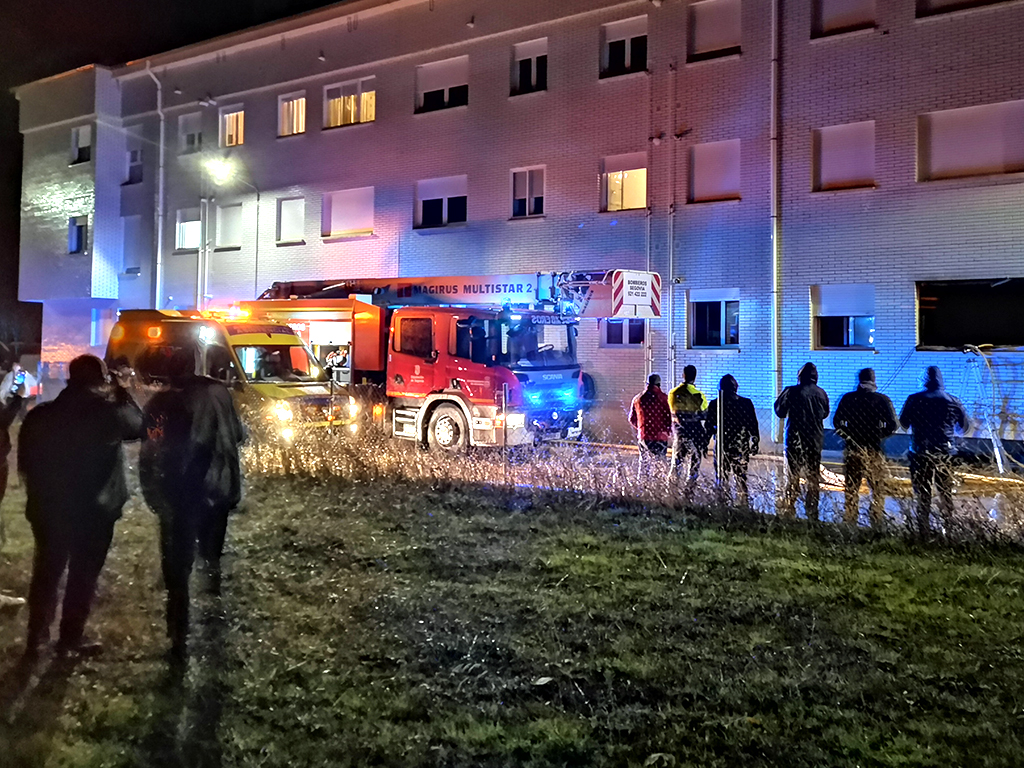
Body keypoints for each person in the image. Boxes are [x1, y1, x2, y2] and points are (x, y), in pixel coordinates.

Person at [17, 355, 144, 660]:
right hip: (94, 510)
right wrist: (121, 390)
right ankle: (69, 639)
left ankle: (36, 638)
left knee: (46, 571)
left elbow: (27, 465)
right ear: (101, 379)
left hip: (49, 509)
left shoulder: (40, 415)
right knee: (83, 575)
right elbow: (139, 426)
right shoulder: (107, 413)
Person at [140, 348, 246, 662]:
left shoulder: (160, 405)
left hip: (180, 494)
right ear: (194, 365)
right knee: (212, 556)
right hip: (220, 487)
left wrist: (153, 493)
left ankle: (178, 637)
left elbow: (151, 447)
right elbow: (238, 435)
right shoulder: (219, 393)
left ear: (167, 372)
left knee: (178, 568)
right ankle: (215, 618)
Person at [899, 366, 968, 537]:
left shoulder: (914, 399)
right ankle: (948, 527)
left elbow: (903, 423)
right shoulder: (953, 400)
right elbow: (964, 427)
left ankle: (923, 529)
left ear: (924, 380)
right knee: (945, 491)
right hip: (946, 451)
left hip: (920, 450)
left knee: (923, 492)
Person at [833, 368, 897, 528]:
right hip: (874, 449)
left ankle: (850, 518)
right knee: (877, 488)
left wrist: (848, 436)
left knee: (852, 487)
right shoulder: (882, 400)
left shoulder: (849, 399)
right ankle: (876, 519)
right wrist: (878, 434)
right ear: (874, 382)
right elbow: (892, 425)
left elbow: (837, 421)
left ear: (859, 381)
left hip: (853, 449)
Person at [774, 362, 830, 521]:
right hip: (814, 439)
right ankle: (812, 510)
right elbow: (825, 413)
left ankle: (790, 506)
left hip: (794, 439)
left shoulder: (791, 391)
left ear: (800, 377)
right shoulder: (821, 393)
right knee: (813, 476)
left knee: (792, 475)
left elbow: (780, 411)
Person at [706, 374, 760, 506]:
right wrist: (755, 441)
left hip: (722, 446)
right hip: (740, 446)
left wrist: (704, 442)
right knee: (741, 478)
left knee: (721, 477)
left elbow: (709, 426)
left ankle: (722, 503)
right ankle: (743, 504)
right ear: (736, 387)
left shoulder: (715, 404)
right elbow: (752, 423)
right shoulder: (746, 403)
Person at [668, 365, 708, 498]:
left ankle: (672, 489)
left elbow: (671, 412)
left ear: (683, 375)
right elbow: (705, 413)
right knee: (695, 463)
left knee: (677, 461)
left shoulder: (673, 393)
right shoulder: (698, 395)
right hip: (695, 433)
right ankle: (689, 491)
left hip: (679, 433)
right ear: (694, 376)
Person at [628, 374, 673, 482]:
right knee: (660, 463)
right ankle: (659, 486)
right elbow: (669, 418)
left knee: (644, 462)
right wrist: (667, 431)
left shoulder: (637, 399)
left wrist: (641, 428)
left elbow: (631, 418)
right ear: (659, 384)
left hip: (644, 436)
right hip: (660, 437)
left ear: (647, 384)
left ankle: (642, 485)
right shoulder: (664, 399)